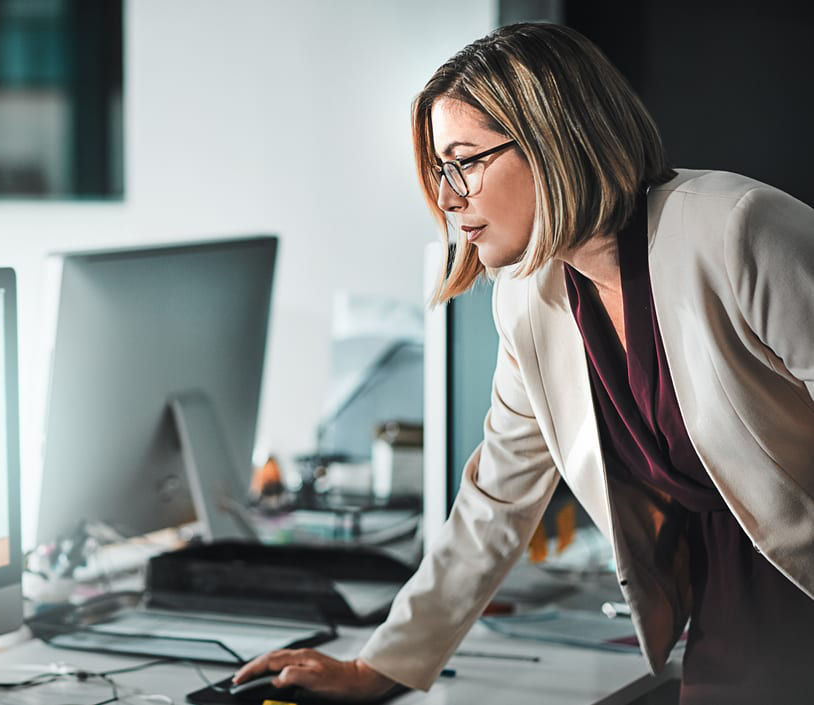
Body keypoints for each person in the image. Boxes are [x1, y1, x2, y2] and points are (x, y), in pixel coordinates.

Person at [233, 21, 814, 704]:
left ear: (550, 142)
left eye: (465, 162)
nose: (447, 198)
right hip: (737, 610)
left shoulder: (738, 229)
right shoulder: (529, 296)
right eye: (440, 170)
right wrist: (378, 666)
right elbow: (498, 497)